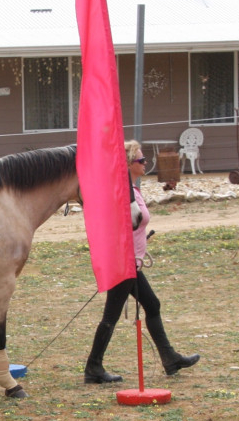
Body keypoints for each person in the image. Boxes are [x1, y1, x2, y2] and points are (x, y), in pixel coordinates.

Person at [84, 140, 201, 384]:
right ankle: (93, 367)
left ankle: (169, 358)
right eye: (141, 160)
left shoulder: (132, 191)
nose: (146, 162)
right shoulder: (120, 193)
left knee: (152, 305)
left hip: (132, 264)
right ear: (128, 164)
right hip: (123, 263)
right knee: (111, 315)